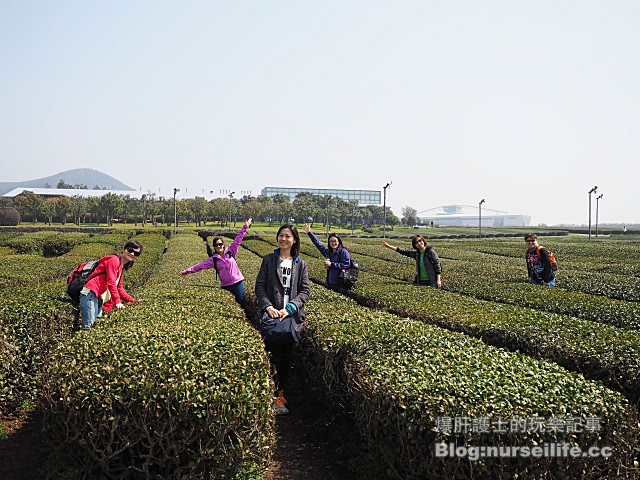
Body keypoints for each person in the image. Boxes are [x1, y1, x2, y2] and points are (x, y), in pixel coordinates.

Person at [255, 224, 310, 415]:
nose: (283, 239)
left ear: (294, 240)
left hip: (289, 317)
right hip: (271, 316)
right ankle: (266, 392)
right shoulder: (269, 260)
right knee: (269, 355)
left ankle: (280, 395)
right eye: (281, 235)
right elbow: (260, 286)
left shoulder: (300, 264)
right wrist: (269, 307)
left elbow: (305, 291)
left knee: (285, 358)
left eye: (287, 236)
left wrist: (289, 308)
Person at [180, 218, 252, 304]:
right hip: (226, 286)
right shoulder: (213, 259)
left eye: (220, 244)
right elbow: (199, 266)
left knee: (242, 303)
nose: (219, 246)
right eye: (216, 245)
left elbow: (238, 239)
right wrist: (186, 271)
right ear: (214, 247)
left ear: (223, 245)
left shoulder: (230, 251)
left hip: (238, 284)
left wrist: (245, 227)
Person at [79, 241, 142, 330]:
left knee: (96, 327)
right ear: (124, 249)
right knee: (89, 327)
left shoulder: (121, 266)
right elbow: (111, 281)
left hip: (98, 298)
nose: (132, 253)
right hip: (90, 293)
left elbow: (119, 288)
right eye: (130, 250)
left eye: (136, 253)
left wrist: (132, 301)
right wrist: (117, 301)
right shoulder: (114, 260)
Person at [302, 224, 351, 294]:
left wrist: (332, 264)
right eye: (331, 241)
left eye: (335, 241)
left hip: (341, 284)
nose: (333, 243)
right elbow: (318, 244)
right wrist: (309, 233)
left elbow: (346, 264)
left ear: (339, 242)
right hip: (330, 282)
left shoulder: (343, 251)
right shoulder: (328, 252)